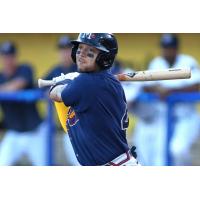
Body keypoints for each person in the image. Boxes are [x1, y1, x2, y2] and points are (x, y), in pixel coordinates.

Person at [48, 33, 139, 166]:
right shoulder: (109, 83)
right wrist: (71, 81)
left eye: (90, 52)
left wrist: (63, 82)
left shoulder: (86, 83)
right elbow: (69, 124)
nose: (81, 55)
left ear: (104, 58)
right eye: (79, 50)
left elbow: (55, 94)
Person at [132, 33, 200, 166]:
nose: (167, 50)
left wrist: (172, 91)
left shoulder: (188, 61)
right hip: (162, 118)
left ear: (176, 48)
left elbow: (197, 85)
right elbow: (145, 86)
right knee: (159, 158)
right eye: (165, 47)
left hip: (185, 118)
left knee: (178, 150)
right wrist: (158, 89)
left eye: (170, 47)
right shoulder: (156, 63)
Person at [0, 41, 48, 166]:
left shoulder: (25, 68)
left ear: (15, 57)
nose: (8, 59)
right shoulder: (0, 77)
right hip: (14, 134)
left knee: (44, 165)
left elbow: (18, 84)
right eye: (5, 56)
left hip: (34, 132)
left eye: (10, 56)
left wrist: (4, 89)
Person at [44, 35, 79, 166]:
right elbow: (42, 87)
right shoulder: (56, 70)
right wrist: (51, 92)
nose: (65, 53)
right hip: (67, 128)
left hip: (86, 124)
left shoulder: (81, 68)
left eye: (67, 49)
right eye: (62, 50)